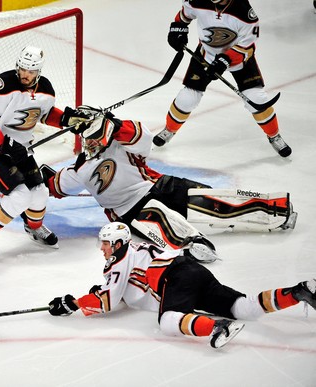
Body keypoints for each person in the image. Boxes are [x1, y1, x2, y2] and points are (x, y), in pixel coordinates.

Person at [42, 108, 297, 263]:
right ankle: (192, 244)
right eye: (88, 139)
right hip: (131, 212)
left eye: (95, 136)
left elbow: (144, 136)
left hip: (160, 186)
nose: (91, 143)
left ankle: (274, 208)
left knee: (215, 202)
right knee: (182, 238)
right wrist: (32, 174)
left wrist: (116, 125)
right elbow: (53, 186)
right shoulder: (79, 170)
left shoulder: (121, 142)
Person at [48, 222, 316, 349]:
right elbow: (122, 293)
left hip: (174, 278)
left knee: (168, 322)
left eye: (105, 243)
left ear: (117, 244)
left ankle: (217, 326)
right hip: (193, 272)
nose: (102, 249)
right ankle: (299, 292)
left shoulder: (119, 261)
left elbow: (107, 300)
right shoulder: (133, 252)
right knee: (242, 307)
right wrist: (100, 291)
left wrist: (73, 302)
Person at [0, 45, 92, 264]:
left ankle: (33, 227)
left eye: (31, 71)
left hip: (20, 149)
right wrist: (5, 144)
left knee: (40, 191)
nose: (25, 74)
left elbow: (43, 115)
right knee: (20, 195)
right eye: (23, 69)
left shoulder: (46, 89)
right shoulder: (2, 86)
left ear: (38, 72)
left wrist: (67, 120)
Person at [154, 0, 292, 158]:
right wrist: (178, 30)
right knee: (187, 98)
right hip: (206, 55)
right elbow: (183, 16)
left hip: (239, 60)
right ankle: (169, 130)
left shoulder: (245, 12)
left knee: (256, 100)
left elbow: (249, 46)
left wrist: (226, 60)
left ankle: (274, 135)